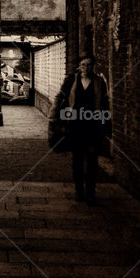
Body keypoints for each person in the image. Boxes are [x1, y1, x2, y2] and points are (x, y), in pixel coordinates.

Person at [55, 54, 111, 204]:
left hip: (93, 124)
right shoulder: (70, 81)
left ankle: (91, 192)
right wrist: (57, 119)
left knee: (93, 158)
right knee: (77, 158)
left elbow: (104, 103)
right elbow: (61, 99)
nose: (86, 67)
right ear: (79, 66)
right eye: (84, 65)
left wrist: (106, 124)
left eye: (89, 65)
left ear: (93, 66)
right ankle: (79, 190)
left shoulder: (99, 82)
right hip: (75, 124)